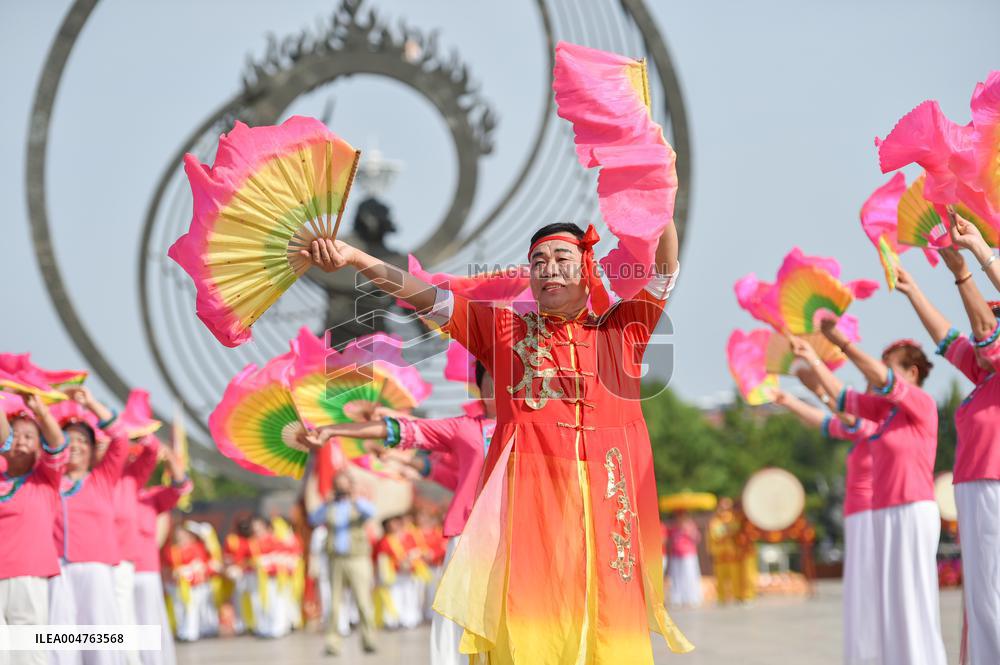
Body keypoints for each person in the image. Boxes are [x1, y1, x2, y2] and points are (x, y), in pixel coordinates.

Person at [302, 214, 691, 662]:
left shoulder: (623, 331)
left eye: (562, 257)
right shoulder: (503, 332)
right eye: (538, 261)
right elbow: (419, 294)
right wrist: (354, 257)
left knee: (607, 628)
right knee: (532, 630)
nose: (548, 268)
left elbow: (665, 269)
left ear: (587, 267)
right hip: (532, 516)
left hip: (607, 510)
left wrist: (658, 191)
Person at [302, 361, 496, 665]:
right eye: (492, 378)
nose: (503, 385)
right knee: (461, 612)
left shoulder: (532, 427)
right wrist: (333, 430)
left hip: (516, 533)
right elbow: (408, 430)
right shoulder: (465, 427)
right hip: (469, 534)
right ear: (481, 387)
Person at [792, 322, 947, 665]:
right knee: (892, 601)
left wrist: (841, 342)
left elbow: (877, 382)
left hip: (913, 508)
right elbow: (845, 399)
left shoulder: (921, 404)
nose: (881, 370)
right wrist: (814, 359)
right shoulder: (886, 415)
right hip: (884, 511)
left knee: (913, 598)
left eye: (890, 364)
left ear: (912, 372)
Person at [893, 227, 1000, 664]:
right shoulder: (986, 377)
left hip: (994, 485)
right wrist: (913, 289)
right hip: (978, 488)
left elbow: (981, 331)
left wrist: (970, 263)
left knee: (993, 595)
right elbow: (950, 340)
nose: (984, 331)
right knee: (982, 599)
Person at [774, 383, 880, 665]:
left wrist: (818, 384)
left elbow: (844, 415)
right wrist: (788, 401)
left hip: (874, 513)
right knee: (859, 585)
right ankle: (865, 650)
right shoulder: (861, 429)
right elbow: (824, 422)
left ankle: (878, 648)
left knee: (872, 583)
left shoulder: (879, 424)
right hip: (857, 514)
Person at [49, 386, 128, 665]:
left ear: (94, 447)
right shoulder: (49, 479)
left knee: (100, 637)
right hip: (57, 571)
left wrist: (91, 402)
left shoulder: (103, 478)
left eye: (82, 440)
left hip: (96, 571)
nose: (75, 445)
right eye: (68, 440)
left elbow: (120, 437)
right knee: (60, 641)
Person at [0, 394, 67, 665]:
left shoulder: (45, 478)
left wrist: (42, 413)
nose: (20, 441)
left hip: (27, 576)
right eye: (16, 435)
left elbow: (58, 445)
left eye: (29, 437)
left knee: (29, 649)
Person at [307, 472, 378, 656]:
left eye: (344, 484)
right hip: (336, 559)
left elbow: (371, 512)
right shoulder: (330, 506)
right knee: (334, 603)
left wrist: (354, 499)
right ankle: (332, 643)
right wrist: (327, 503)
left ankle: (368, 639)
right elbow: (313, 519)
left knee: (363, 601)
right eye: (338, 484)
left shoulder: (357, 504)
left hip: (357, 558)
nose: (341, 488)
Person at [133, 445, 191, 665]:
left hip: (145, 571)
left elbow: (181, 486)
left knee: (149, 624)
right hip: (115, 570)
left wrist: (168, 457)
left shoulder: (152, 496)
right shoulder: (111, 489)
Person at [113, 433, 160, 665]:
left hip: (122, 559)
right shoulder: (93, 475)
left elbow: (151, 451)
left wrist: (138, 430)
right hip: (89, 559)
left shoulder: (130, 477)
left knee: (124, 617)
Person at [707, 497, 740, 605]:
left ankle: (736, 596)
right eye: (722, 506)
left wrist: (726, 531)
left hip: (732, 554)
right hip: (720, 554)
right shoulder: (715, 521)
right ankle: (721, 597)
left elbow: (735, 531)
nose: (724, 509)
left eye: (726, 506)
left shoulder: (733, 519)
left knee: (734, 577)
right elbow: (715, 535)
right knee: (720, 578)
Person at [666, 511, 702, 608]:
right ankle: (677, 599)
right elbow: (669, 540)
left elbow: (697, 538)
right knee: (676, 577)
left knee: (689, 576)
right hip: (675, 555)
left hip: (688, 555)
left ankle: (691, 598)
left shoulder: (690, 526)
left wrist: (687, 531)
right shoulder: (673, 527)